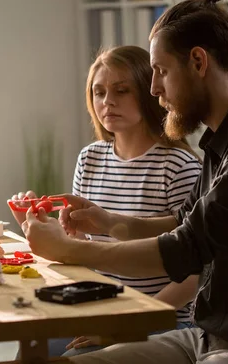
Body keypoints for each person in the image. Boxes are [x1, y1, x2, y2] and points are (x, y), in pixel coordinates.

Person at [22, 0, 228, 364]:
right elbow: (183, 221)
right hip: (207, 337)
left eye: (161, 71)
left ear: (198, 62)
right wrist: (109, 220)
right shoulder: (226, 138)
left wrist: (69, 249)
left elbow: (185, 249)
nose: (154, 89)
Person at [11, 45, 202, 357]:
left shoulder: (178, 167)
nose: (107, 102)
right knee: (30, 351)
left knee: (70, 358)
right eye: (98, 93)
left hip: (162, 319)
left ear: (149, 91)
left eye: (121, 90)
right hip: (102, 308)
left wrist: (128, 324)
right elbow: (88, 247)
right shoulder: (90, 159)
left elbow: (194, 275)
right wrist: (43, 228)